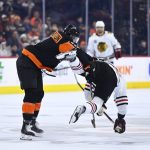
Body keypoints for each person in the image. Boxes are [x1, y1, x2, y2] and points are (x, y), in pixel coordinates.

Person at [16, 24, 80, 140]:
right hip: (27, 61)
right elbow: (67, 49)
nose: (74, 41)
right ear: (70, 35)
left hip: (35, 64)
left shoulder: (59, 37)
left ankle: (32, 123)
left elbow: (56, 51)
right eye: (74, 38)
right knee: (31, 94)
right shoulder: (63, 38)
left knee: (39, 93)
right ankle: (25, 129)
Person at [68, 49, 128, 134]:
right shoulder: (120, 80)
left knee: (81, 71)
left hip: (96, 65)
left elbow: (88, 92)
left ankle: (73, 58)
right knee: (97, 102)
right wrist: (121, 118)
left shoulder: (102, 63)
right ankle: (84, 108)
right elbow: (122, 102)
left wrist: (100, 106)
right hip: (110, 76)